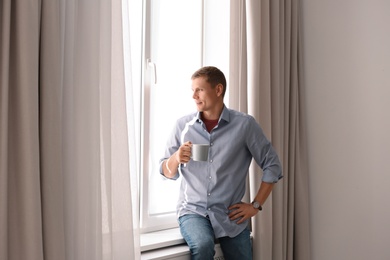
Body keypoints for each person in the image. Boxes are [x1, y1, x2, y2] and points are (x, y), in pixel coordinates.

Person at [159, 66, 283, 260]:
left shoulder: (244, 125)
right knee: (203, 245)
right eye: (192, 90)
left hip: (230, 215)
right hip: (193, 211)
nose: (194, 96)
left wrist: (255, 205)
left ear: (218, 90)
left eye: (199, 89)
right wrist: (176, 158)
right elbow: (166, 171)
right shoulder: (183, 126)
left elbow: (273, 165)